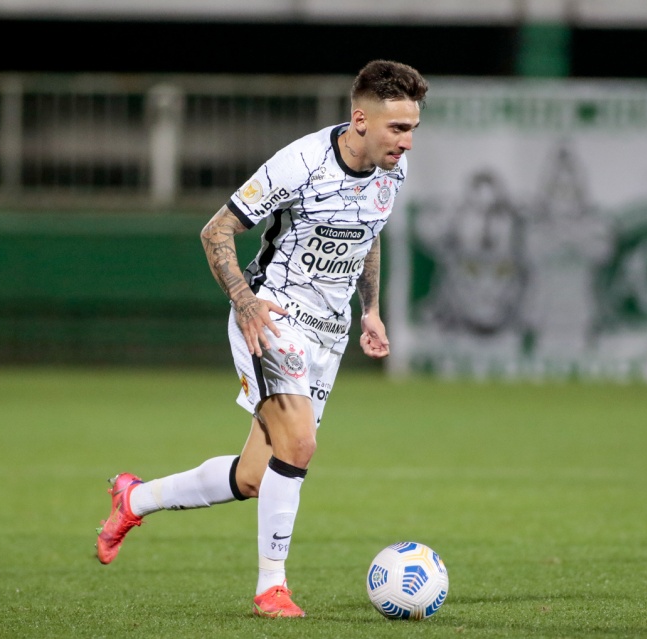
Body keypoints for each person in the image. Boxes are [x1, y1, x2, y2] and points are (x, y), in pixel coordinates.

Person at [95, 59, 429, 618]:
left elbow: (369, 233)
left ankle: (134, 498)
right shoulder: (300, 162)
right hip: (273, 316)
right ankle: (271, 588)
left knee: (254, 476)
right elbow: (216, 230)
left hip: (331, 330)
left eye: (413, 128)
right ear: (361, 119)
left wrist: (370, 309)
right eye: (398, 128)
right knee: (299, 445)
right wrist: (245, 303)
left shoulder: (390, 170)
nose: (408, 141)